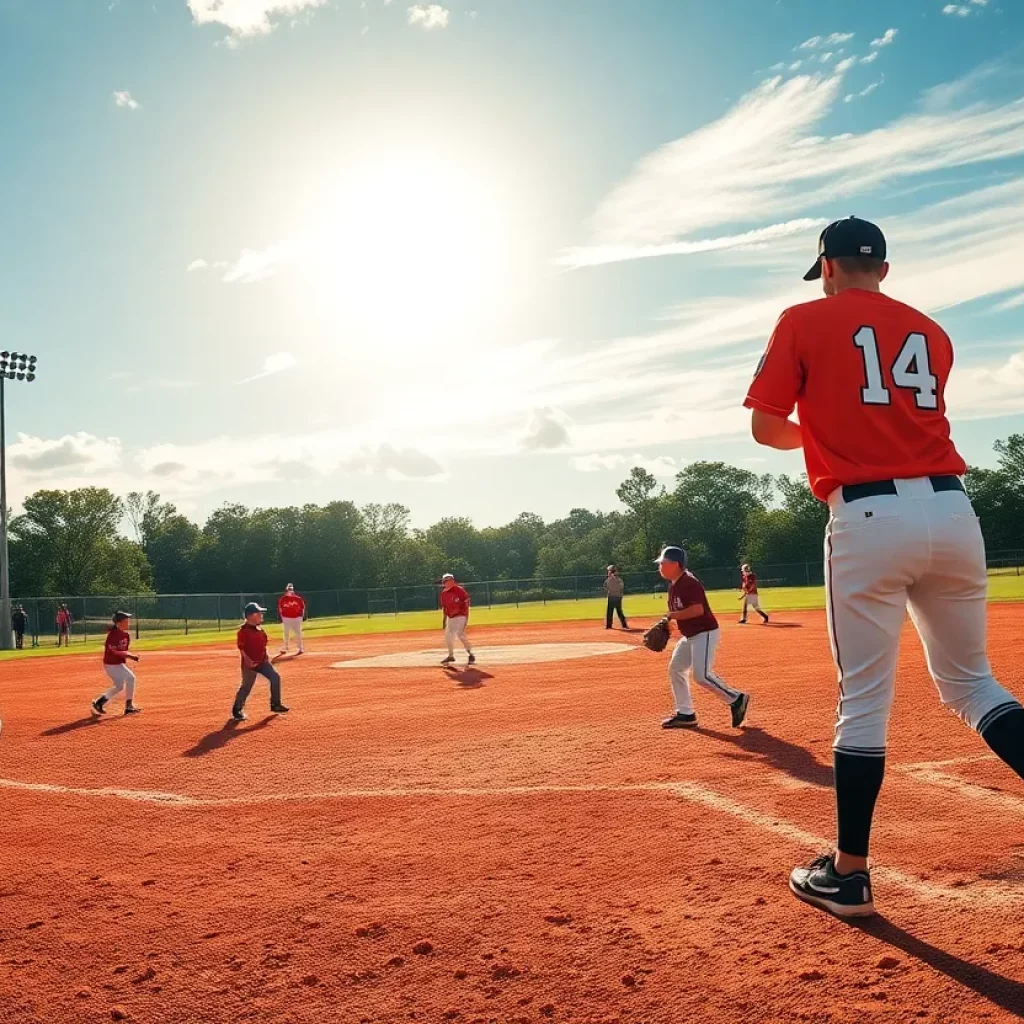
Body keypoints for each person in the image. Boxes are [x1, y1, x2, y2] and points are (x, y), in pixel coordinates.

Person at [745, 216, 1024, 918]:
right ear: (885, 270)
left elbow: (765, 425)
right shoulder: (932, 332)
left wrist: (825, 430)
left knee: (864, 701)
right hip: (954, 512)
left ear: (827, 268)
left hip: (869, 519)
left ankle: (849, 874)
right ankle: (846, 870)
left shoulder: (803, 320)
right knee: (973, 684)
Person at [655, 546, 750, 731]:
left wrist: (672, 616)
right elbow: (683, 612)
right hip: (690, 635)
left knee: (702, 675)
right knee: (676, 669)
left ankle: (736, 699)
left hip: (704, 632)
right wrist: (669, 623)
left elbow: (697, 610)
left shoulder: (688, 582)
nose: (660, 566)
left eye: (663, 563)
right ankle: (686, 714)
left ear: (675, 564)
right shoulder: (674, 585)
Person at [233, 602, 289, 722]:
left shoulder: (260, 631)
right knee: (246, 687)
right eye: (258, 613)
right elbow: (241, 648)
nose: (261, 615)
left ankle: (275, 704)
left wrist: (266, 657)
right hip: (249, 665)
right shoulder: (243, 631)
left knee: (275, 678)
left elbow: (263, 646)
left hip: (262, 662)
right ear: (250, 616)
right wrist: (247, 660)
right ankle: (237, 710)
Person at [91, 611, 141, 716]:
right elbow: (113, 651)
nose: (128, 623)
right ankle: (129, 706)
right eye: (126, 621)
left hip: (118, 664)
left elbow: (122, 651)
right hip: (111, 665)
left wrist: (128, 656)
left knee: (119, 686)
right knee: (131, 678)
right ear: (119, 623)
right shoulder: (112, 635)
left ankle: (99, 703)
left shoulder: (126, 635)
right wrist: (129, 656)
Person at [439, 573, 475, 667]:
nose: (449, 582)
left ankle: (470, 653)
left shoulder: (459, 589)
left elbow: (467, 601)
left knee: (460, 633)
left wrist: (463, 611)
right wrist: (444, 619)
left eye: (451, 580)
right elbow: (445, 608)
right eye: (447, 581)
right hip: (451, 617)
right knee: (448, 635)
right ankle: (451, 655)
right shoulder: (443, 594)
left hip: (461, 615)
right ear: (444, 582)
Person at [277, 583, 306, 656]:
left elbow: (302, 608)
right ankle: (285, 647)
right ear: (286, 590)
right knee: (286, 634)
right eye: (289, 589)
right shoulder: (283, 599)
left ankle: (300, 648)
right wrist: (282, 617)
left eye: (291, 589)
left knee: (298, 633)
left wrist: (301, 617)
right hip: (286, 618)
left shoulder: (298, 599)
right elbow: (280, 609)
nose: (290, 591)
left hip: (296, 618)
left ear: (293, 590)